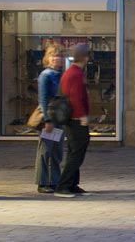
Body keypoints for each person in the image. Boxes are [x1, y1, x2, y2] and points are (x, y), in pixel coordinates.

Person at [56, 42, 94, 197]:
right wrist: (82, 116)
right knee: (76, 153)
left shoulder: (71, 72)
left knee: (74, 151)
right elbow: (76, 98)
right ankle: (63, 185)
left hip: (71, 118)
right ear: (85, 57)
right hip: (75, 118)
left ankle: (72, 184)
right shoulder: (76, 74)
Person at [34, 46, 64, 193]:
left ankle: (55, 180)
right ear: (47, 58)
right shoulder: (46, 75)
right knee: (46, 151)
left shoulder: (60, 74)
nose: (56, 58)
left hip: (59, 116)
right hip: (50, 117)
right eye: (53, 56)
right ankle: (43, 182)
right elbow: (43, 99)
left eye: (58, 56)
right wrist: (47, 120)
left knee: (57, 151)